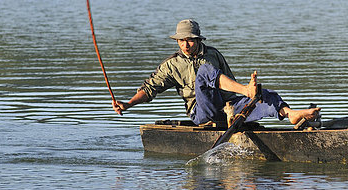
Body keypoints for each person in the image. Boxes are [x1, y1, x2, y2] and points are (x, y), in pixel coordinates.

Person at [112, 19, 320, 125]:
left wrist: (245, 101)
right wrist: (129, 103)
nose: (186, 45)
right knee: (204, 72)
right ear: (177, 41)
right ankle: (247, 91)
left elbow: (226, 82)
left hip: (227, 108)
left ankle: (291, 114)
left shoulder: (212, 54)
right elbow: (150, 89)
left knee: (266, 95)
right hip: (202, 112)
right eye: (182, 41)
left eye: (190, 40)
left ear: (198, 40)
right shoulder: (172, 65)